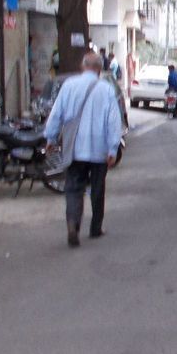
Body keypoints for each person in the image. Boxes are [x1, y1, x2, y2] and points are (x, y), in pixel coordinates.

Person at [44, 52, 123, 247]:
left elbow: (56, 113)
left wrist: (51, 137)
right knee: (97, 189)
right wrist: (113, 149)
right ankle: (96, 228)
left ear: (82, 66)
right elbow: (114, 121)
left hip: (75, 148)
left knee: (73, 189)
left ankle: (73, 223)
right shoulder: (106, 90)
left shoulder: (69, 86)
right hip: (99, 150)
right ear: (100, 69)